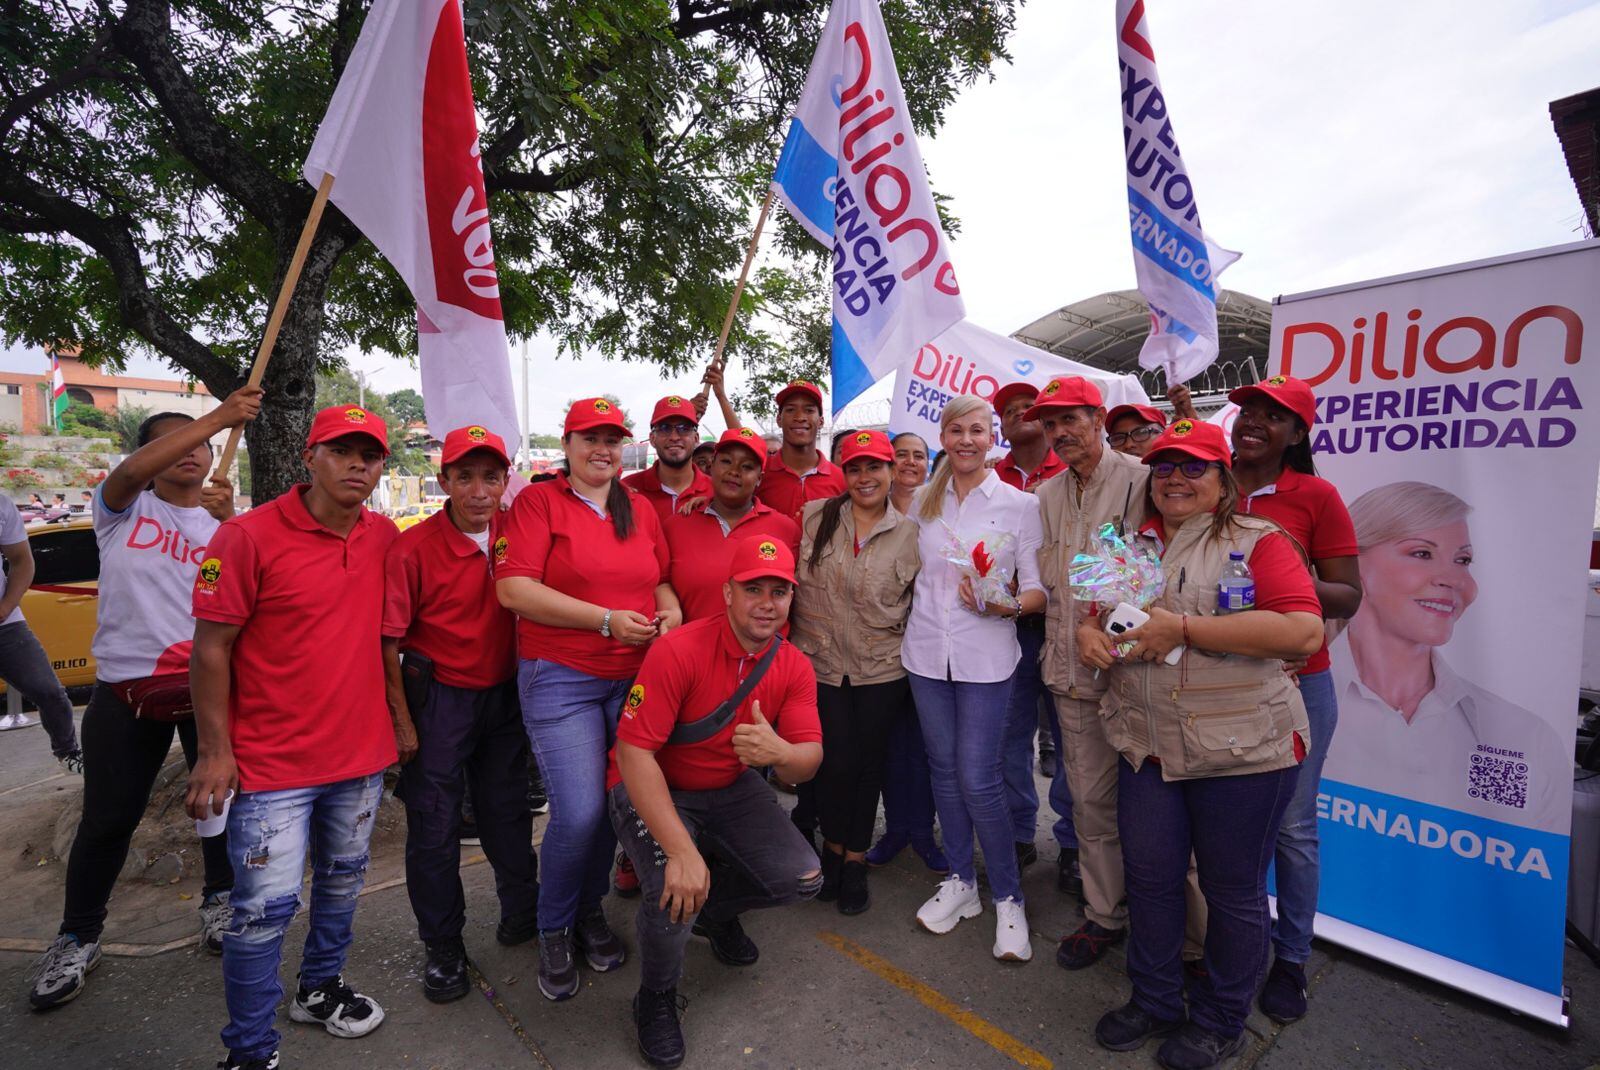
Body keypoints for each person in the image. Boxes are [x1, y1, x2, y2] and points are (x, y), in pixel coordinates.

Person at [1077, 418, 1323, 1070]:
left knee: (1231, 889)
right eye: (1164, 468)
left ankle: (1221, 1018)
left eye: (1193, 467)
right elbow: (1095, 614)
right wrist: (1089, 636)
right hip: (1148, 744)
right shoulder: (1127, 544)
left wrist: (1183, 626)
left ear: (1223, 480)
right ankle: (1156, 999)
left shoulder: (1259, 541)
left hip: (1241, 751)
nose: (1175, 479)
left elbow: (1303, 632)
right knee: (1152, 880)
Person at [28, 390, 258, 1012]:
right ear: (152, 456)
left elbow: (247, 601)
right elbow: (128, 475)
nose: (193, 451)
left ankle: (220, 902)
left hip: (209, 688)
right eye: (175, 441)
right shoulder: (121, 513)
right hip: (127, 692)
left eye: (202, 445)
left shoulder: (227, 526)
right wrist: (217, 417)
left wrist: (231, 518)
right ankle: (78, 935)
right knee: (107, 820)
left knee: (218, 808)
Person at [186, 404, 399, 1070]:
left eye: (370, 455)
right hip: (273, 769)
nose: (357, 465)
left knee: (342, 883)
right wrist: (216, 752)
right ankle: (250, 1051)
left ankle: (319, 988)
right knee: (261, 914)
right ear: (310, 456)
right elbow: (209, 650)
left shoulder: (385, 536)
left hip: (360, 758)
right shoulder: (245, 538)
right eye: (342, 451)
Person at [609, 537, 822, 1068]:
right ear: (728, 592)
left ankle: (716, 912)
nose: (767, 603)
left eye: (779, 591)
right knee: (672, 891)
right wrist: (681, 853)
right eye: (754, 589)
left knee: (804, 878)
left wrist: (783, 754)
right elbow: (634, 756)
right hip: (653, 782)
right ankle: (655, 996)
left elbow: (810, 759)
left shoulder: (793, 665)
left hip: (728, 786)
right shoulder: (678, 649)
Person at [495, 397, 681, 1002]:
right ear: (568, 443)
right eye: (589, 438)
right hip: (562, 677)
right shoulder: (538, 502)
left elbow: (658, 578)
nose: (602, 449)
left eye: (612, 438)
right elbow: (514, 590)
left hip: (631, 679)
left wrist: (671, 609)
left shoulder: (640, 508)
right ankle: (554, 927)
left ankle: (589, 911)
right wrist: (604, 620)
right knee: (576, 812)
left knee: (615, 805)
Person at [382, 425, 540, 1004]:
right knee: (435, 826)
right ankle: (443, 946)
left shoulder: (517, 531)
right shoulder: (412, 548)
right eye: (465, 476)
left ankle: (524, 911)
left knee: (507, 813)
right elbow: (388, 644)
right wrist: (401, 721)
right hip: (440, 701)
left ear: (506, 482)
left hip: (504, 697)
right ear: (444, 480)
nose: (479, 490)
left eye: (491, 477)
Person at [1225, 376, 1363, 1025]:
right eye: (1247, 410)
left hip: (1298, 685)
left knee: (1292, 829)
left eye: (1271, 415)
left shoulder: (1317, 496)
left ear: (1297, 434)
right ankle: (1232, 951)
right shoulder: (1203, 479)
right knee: (1224, 825)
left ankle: (1292, 960)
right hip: (1215, 679)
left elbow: (1350, 595)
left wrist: (1291, 579)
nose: (1252, 421)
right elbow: (1136, 559)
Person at [1322, 482, 1571, 831]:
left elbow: (1528, 871)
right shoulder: (1290, 702)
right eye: (1422, 553)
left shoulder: (1525, 739)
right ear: (1352, 564)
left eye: (1463, 560)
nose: (1454, 579)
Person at [901, 395, 1044, 962]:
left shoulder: (1019, 504)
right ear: (943, 436)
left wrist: (1004, 605)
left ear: (993, 439)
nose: (966, 440)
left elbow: (1037, 589)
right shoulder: (923, 504)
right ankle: (962, 882)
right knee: (942, 770)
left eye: (977, 431)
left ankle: (1009, 897)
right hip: (925, 655)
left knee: (978, 777)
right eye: (956, 430)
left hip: (987, 659)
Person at [1032, 375, 1159, 968]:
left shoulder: (1145, 482)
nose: (1059, 433)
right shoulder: (1047, 495)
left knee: (1160, 812)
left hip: (1142, 679)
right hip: (1073, 679)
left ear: (1099, 418)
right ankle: (1104, 914)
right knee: (1090, 805)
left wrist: (1100, 626)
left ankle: (1172, 932)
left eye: (1071, 420)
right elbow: (1049, 583)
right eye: (1050, 423)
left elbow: (1157, 577)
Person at [792, 430, 919, 914]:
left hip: (881, 670)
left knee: (868, 768)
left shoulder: (912, 534)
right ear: (842, 473)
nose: (864, 477)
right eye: (854, 468)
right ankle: (831, 849)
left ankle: (854, 861)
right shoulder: (814, 518)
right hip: (820, 665)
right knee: (832, 765)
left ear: (892, 472)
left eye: (874, 467)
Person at [990, 381, 1076, 878]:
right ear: (1001, 425)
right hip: (1009, 625)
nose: (1020, 414)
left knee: (1071, 739)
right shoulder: (988, 476)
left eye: (1031, 408)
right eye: (1011, 410)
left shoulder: (1069, 471)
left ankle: (1071, 840)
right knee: (1011, 735)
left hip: (1064, 622)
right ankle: (1020, 833)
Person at [867, 431, 947, 873]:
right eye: (902, 455)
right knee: (890, 746)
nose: (911, 463)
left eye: (920, 456)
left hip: (930, 645)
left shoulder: (940, 509)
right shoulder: (866, 507)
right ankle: (896, 828)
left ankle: (923, 830)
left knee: (925, 745)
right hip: (878, 649)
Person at [664, 428, 800, 623]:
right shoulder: (676, 526)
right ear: (711, 466)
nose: (734, 471)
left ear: (759, 478)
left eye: (746, 466)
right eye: (726, 461)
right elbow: (659, 583)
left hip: (760, 652)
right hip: (691, 651)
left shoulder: (786, 529)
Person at [0, 493, 80, 769]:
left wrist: (5, 607)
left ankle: (68, 752)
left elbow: (22, 561)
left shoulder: (2, 504)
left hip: (6, 625)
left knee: (49, 692)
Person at [755, 381, 845, 522]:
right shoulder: (759, 474)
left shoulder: (841, 480)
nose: (800, 417)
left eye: (809, 410)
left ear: (821, 421)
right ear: (779, 419)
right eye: (790, 410)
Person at [623, 395, 714, 522]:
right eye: (665, 428)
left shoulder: (717, 493)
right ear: (652, 439)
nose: (674, 437)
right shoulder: (626, 490)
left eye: (684, 429)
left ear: (696, 439)